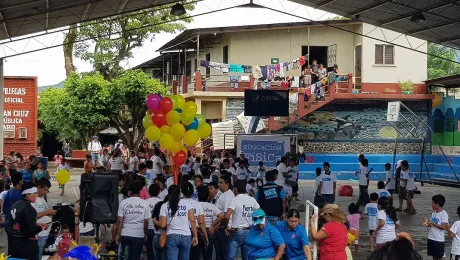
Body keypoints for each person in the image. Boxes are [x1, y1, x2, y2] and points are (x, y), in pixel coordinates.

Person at [154, 185, 199, 260]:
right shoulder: (187, 203)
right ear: (180, 193)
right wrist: (195, 236)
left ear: (168, 194)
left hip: (171, 236)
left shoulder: (165, 206)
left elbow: (162, 225)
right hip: (186, 236)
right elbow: (192, 221)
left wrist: (154, 220)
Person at [9, 182, 48, 260]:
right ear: (27, 195)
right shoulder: (30, 209)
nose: (36, 196)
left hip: (15, 242)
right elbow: (32, 230)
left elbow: (15, 223)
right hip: (28, 245)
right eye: (34, 193)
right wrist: (41, 227)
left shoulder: (14, 205)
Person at [225, 179, 260, 260]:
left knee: (230, 257)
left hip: (237, 232)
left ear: (236, 189)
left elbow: (226, 216)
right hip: (250, 231)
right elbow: (261, 213)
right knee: (246, 257)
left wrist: (226, 226)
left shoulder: (235, 199)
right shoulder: (252, 199)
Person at [116, 181, 151, 260]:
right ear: (139, 192)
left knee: (126, 257)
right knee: (136, 257)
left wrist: (118, 235)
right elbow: (146, 222)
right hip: (138, 235)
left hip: (126, 234)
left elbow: (120, 221)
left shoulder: (123, 203)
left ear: (129, 192)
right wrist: (145, 233)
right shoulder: (144, 203)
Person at [182, 182, 208, 260]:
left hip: (182, 232)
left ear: (182, 192)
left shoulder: (179, 203)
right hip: (195, 233)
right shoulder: (197, 204)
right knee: (195, 257)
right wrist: (206, 236)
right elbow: (201, 222)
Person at [197, 185, 224, 260]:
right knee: (208, 256)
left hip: (197, 231)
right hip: (209, 231)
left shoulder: (195, 205)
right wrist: (213, 225)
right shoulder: (211, 206)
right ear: (208, 196)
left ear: (198, 195)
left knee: (196, 255)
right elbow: (221, 216)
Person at [32, 178, 57, 259]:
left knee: (45, 254)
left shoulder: (42, 199)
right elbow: (34, 216)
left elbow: (45, 212)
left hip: (46, 232)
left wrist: (51, 213)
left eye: (47, 190)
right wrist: (47, 212)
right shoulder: (33, 200)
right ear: (38, 187)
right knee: (39, 254)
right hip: (40, 234)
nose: (46, 192)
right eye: (45, 190)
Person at [215, 175, 235, 260]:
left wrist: (220, 225)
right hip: (221, 227)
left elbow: (226, 214)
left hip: (223, 228)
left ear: (227, 184)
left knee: (222, 254)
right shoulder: (224, 194)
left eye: (221, 182)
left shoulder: (228, 196)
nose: (219, 184)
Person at [3, 172, 24, 255]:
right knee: (17, 249)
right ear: (20, 181)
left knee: (11, 248)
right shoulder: (18, 194)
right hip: (15, 226)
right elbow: (21, 211)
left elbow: (4, 209)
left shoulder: (9, 192)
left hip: (8, 224)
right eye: (22, 179)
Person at [424, 194, 449, 260]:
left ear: (437, 204)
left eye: (432, 203)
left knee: (440, 256)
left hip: (438, 239)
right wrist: (428, 223)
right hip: (431, 237)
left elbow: (444, 227)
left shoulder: (443, 214)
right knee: (434, 255)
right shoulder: (434, 213)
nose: (431, 204)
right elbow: (432, 224)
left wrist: (432, 223)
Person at [145, 184, 162, 260]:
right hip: (159, 229)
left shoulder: (145, 202)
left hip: (148, 229)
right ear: (159, 192)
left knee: (150, 252)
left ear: (149, 192)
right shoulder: (162, 202)